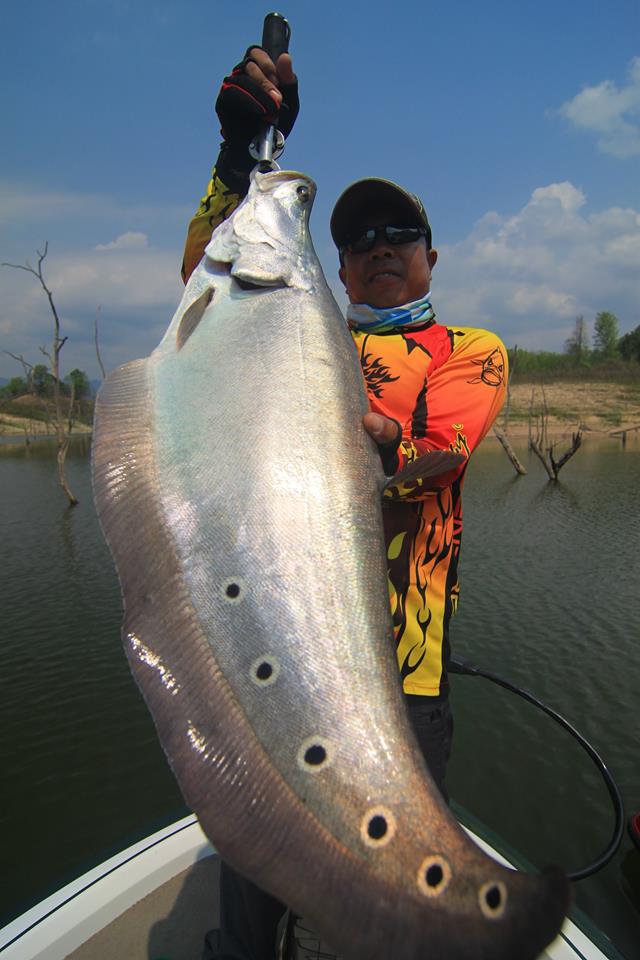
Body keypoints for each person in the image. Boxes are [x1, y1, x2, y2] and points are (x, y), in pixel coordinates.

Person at [182, 44, 508, 960]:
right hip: (273, 641)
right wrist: (233, 161)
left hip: (408, 668)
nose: (376, 254)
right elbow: (204, 280)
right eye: (356, 243)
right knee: (252, 871)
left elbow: (440, 453)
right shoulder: (298, 321)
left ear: (431, 255)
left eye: (395, 238)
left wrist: (349, 428)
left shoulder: (467, 348)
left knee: (388, 888)